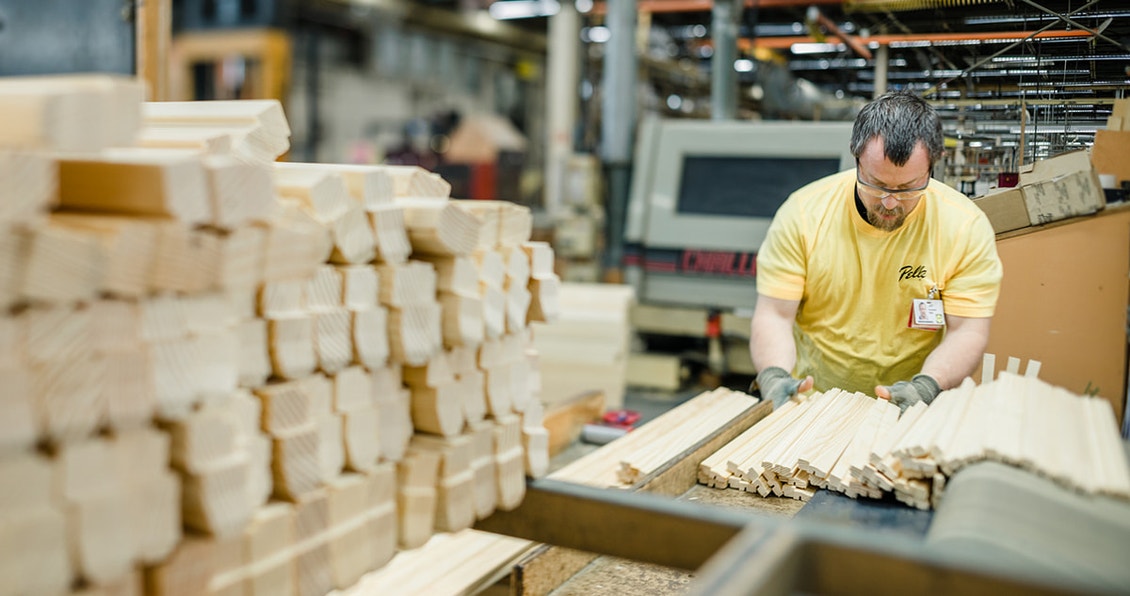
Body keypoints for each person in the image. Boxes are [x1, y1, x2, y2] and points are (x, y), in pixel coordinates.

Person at [749, 91, 1003, 414]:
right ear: (856, 159)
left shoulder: (965, 227)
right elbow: (774, 314)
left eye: (907, 188)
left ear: (932, 168)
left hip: (907, 406)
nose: (889, 202)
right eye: (876, 184)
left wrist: (925, 387)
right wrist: (774, 377)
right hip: (812, 404)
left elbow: (967, 329)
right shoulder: (803, 215)